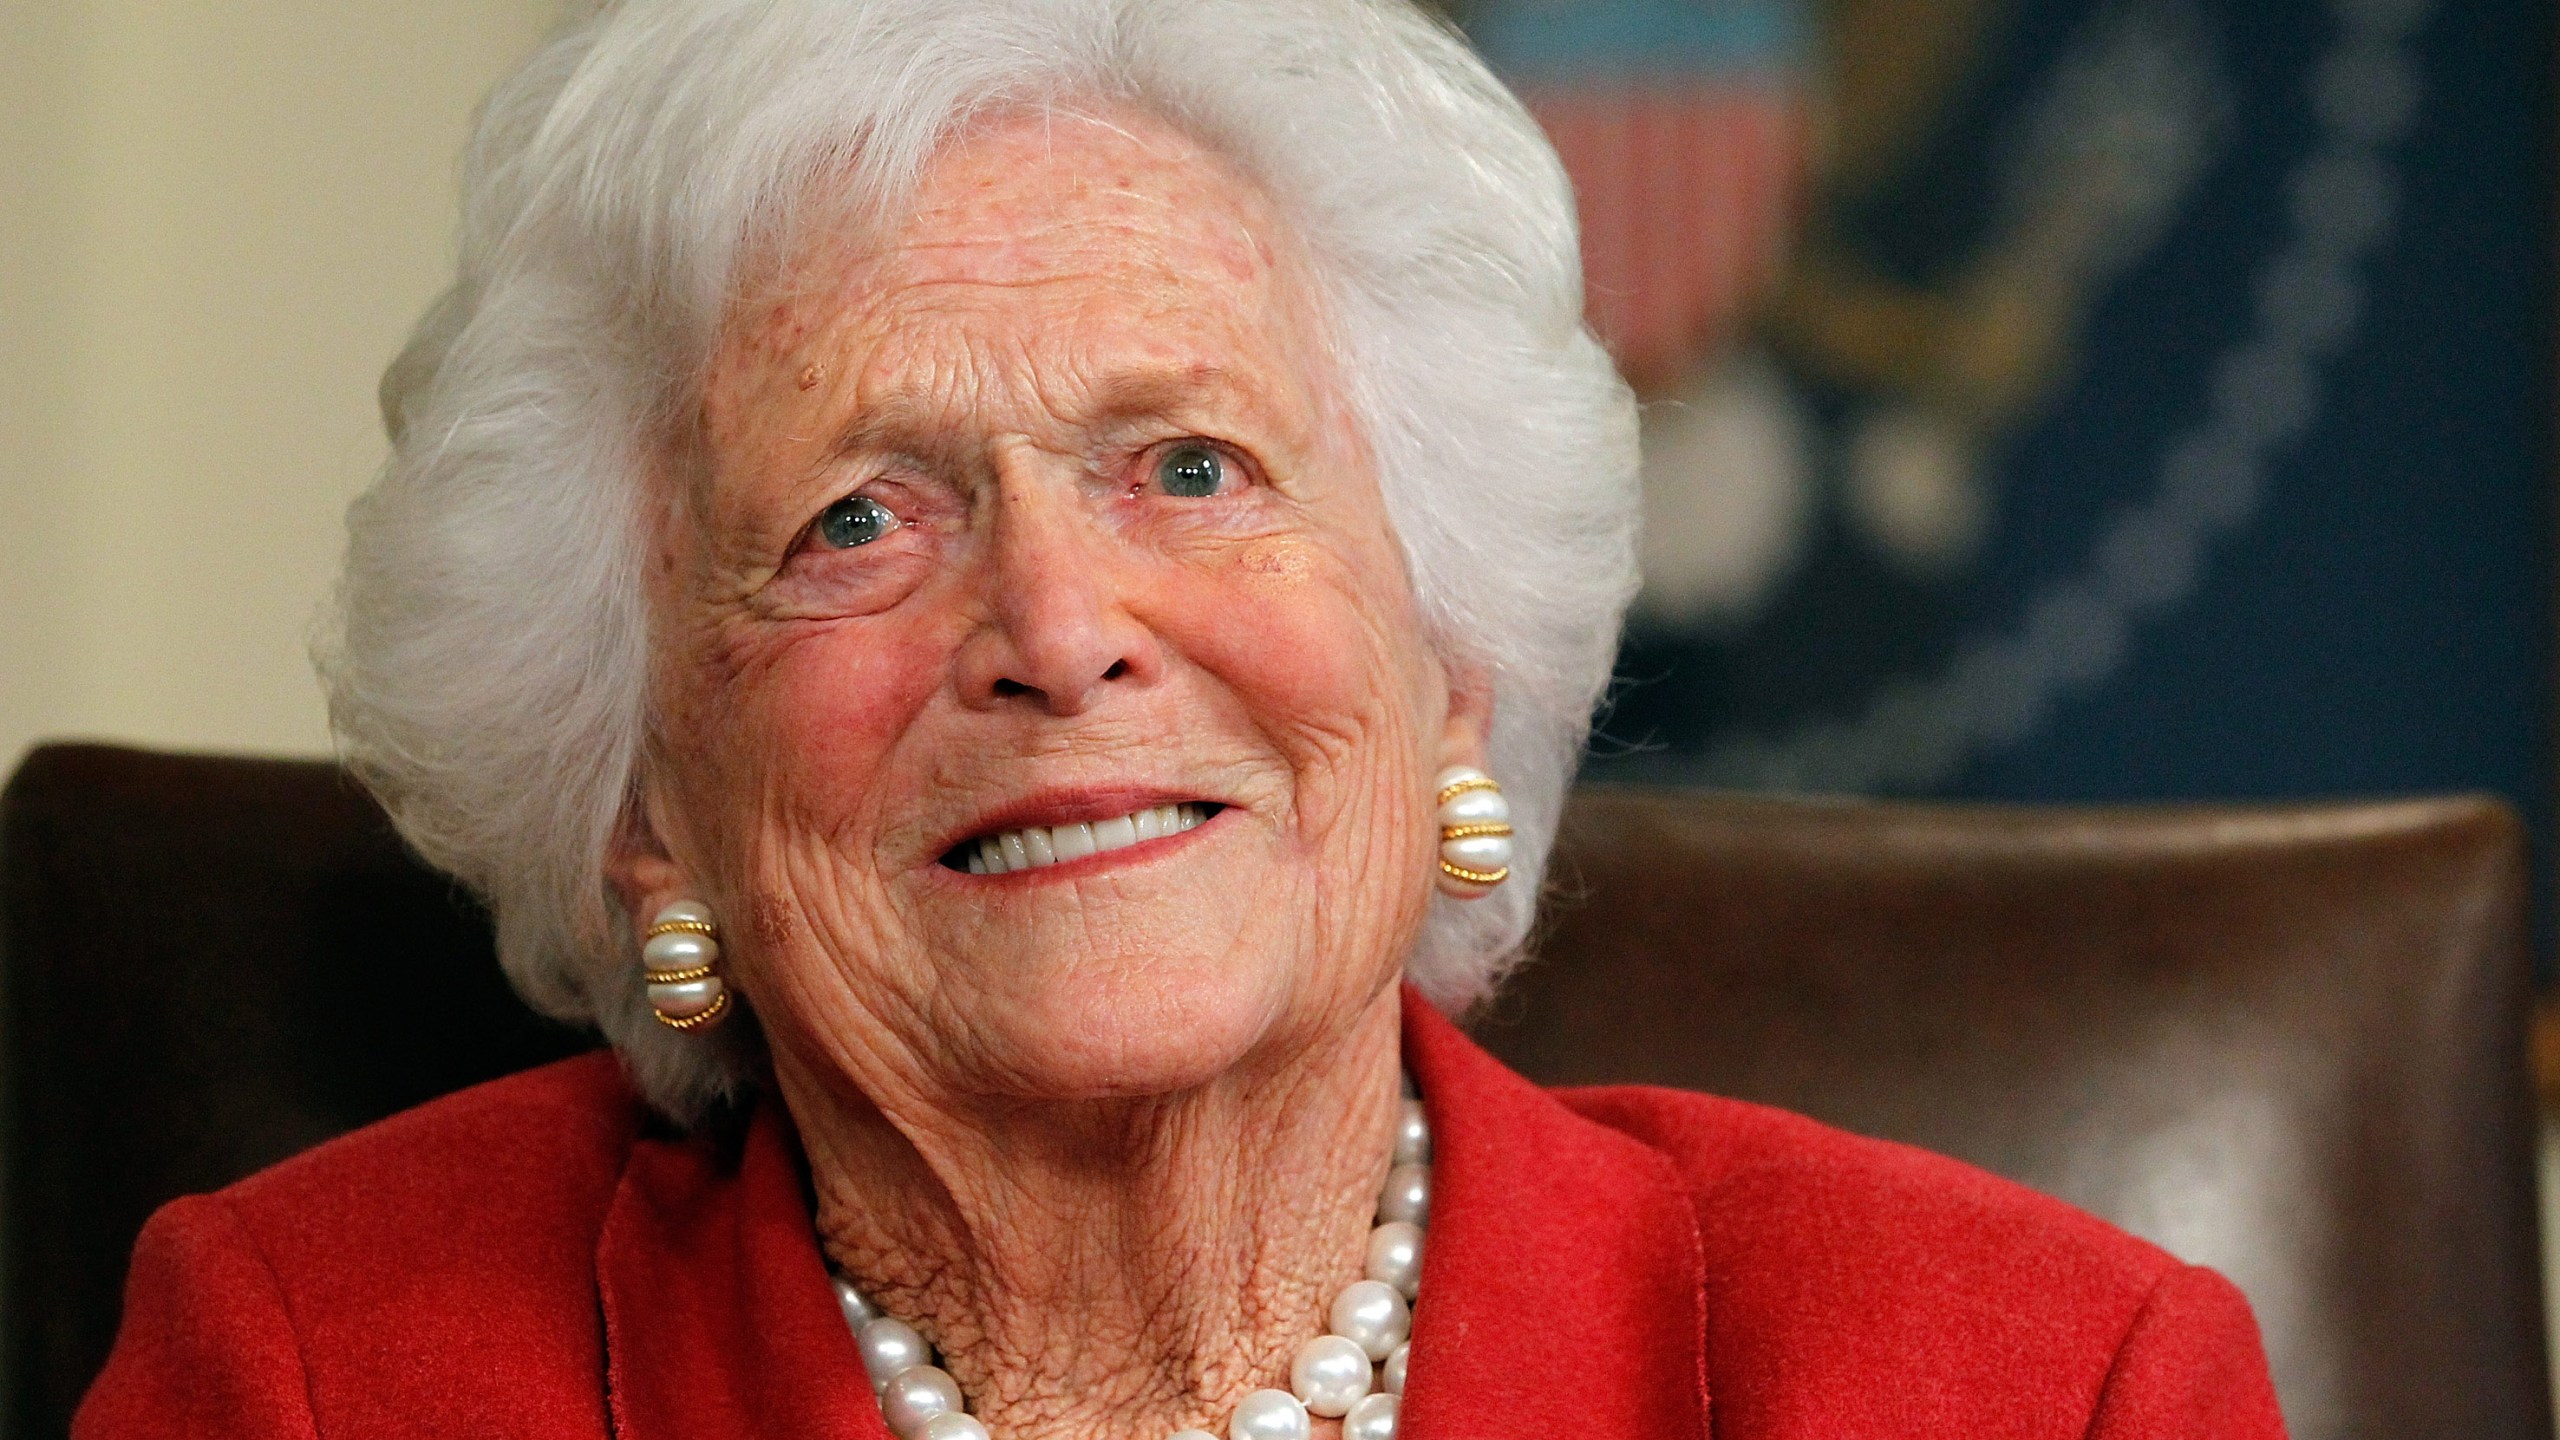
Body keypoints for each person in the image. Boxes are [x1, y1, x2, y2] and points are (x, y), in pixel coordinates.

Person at [76, 1, 2285, 1436]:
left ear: (1446, 657)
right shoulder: (320, 1369)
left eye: (1193, 469)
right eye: (856, 517)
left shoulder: (2028, 1384)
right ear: (646, 795)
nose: (1059, 620)